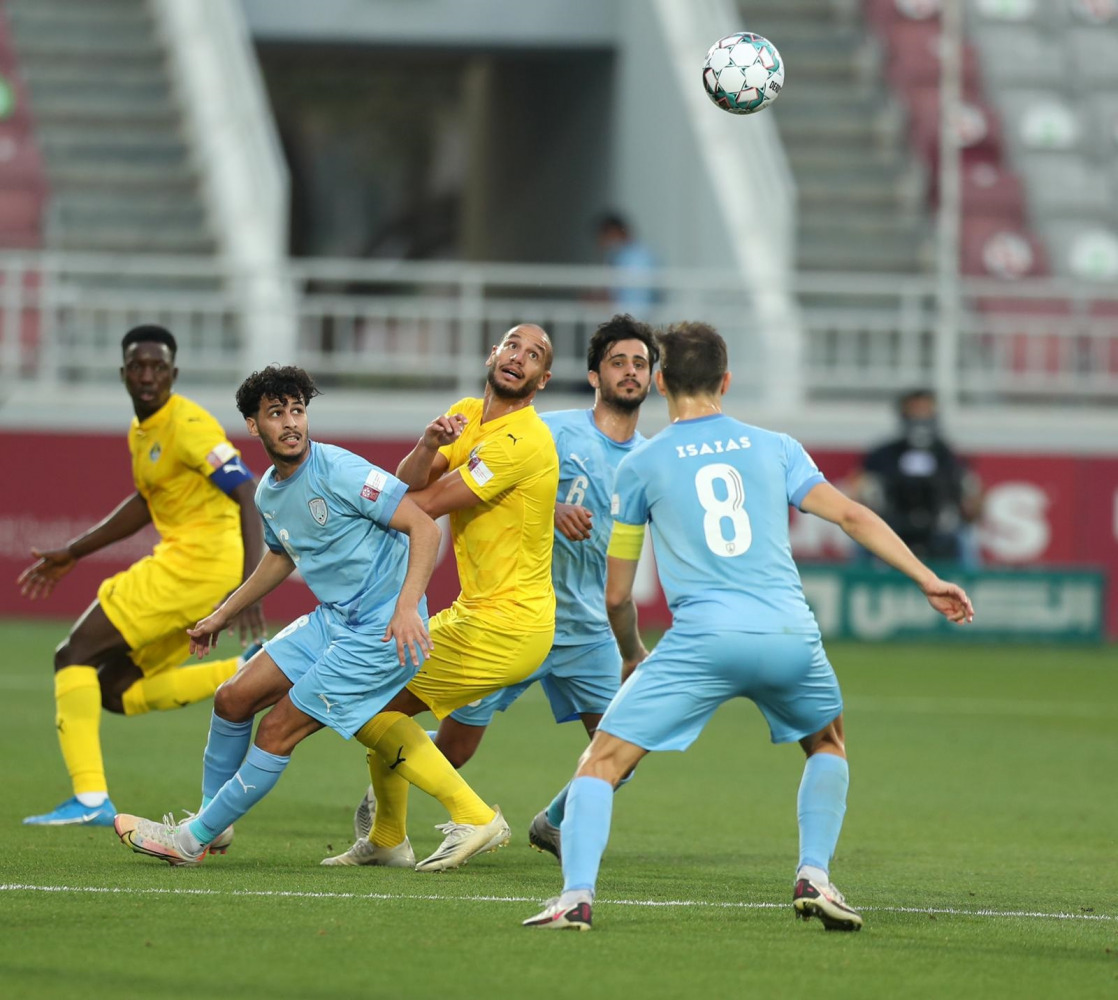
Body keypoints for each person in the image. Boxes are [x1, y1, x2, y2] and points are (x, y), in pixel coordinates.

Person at [523, 324, 974, 932]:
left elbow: (618, 594)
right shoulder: (777, 446)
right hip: (790, 633)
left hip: (704, 640)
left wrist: (633, 653)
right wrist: (926, 577)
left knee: (600, 765)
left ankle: (575, 897)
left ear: (660, 382)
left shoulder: (642, 463)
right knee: (827, 743)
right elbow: (850, 513)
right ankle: (814, 874)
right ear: (726, 381)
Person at [113, 364, 477, 868]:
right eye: (276, 413)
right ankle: (212, 825)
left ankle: (191, 841)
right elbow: (281, 554)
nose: (290, 423)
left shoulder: (340, 470)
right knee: (232, 698)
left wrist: (407, 607)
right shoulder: (268, 491)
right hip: (334, 619)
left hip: (380, 630)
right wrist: (223, 613)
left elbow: (424, 527)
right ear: (253, 425)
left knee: (275, 731)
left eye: (298, 411)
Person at [347, 316, 659, 859]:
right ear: (593, 376)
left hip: (585, 628)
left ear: (653, 379)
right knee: (457, 746)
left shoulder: (653, 461)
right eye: (618, 362)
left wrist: (631, 648)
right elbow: (517, 477)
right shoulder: (550, 429)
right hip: (517, 615)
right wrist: (553, 508)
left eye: (640, 364)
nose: (629, 373)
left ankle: (552, 821)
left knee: (626, 750)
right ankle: (388, 803)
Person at [322, 323, 559, 870]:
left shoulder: (523, 441)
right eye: (512, 345)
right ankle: (386, 839)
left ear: (542, 380)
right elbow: (409, 483)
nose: (519, 358)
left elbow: (426, 505)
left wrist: (352, 507)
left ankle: (473, 815)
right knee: (383, 702)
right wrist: (428, 443)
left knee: (370, 700)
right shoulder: (466, 413)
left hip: (508, 625)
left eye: (534, 356)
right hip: (482, 615)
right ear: (492, 353)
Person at [18, 325, 265, 827]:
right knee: (114, 690)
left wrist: (247, 587)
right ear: (124, 373)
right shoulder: (143, 430)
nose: (148, 376)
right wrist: (74, 551)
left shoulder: (189, 424)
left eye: (157, 367)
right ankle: (245, 670)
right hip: (197, 572)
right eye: (138, 366)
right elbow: (144, 504)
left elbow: (246, 490)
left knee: (73, 655)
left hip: (194, 567)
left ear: (173, 373)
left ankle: (90, 801)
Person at [854, 389, 983, 568]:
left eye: (926, 411)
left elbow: (972, 497)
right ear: (903, 414)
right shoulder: (882, 455)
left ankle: (969, 589)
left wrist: (969, 505)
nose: (920, 418)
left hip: (938, 529)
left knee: (965, 537)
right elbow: (858, 491)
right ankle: (858, 585)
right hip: (892, 525)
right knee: (861, 532)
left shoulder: (949, 455)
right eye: (915, 412)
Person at [596, 213, 657, 314]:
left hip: (636, 317)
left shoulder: (640, 257)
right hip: (624, 317)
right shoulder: (615, 256)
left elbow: (638, 297)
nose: (602, 243)